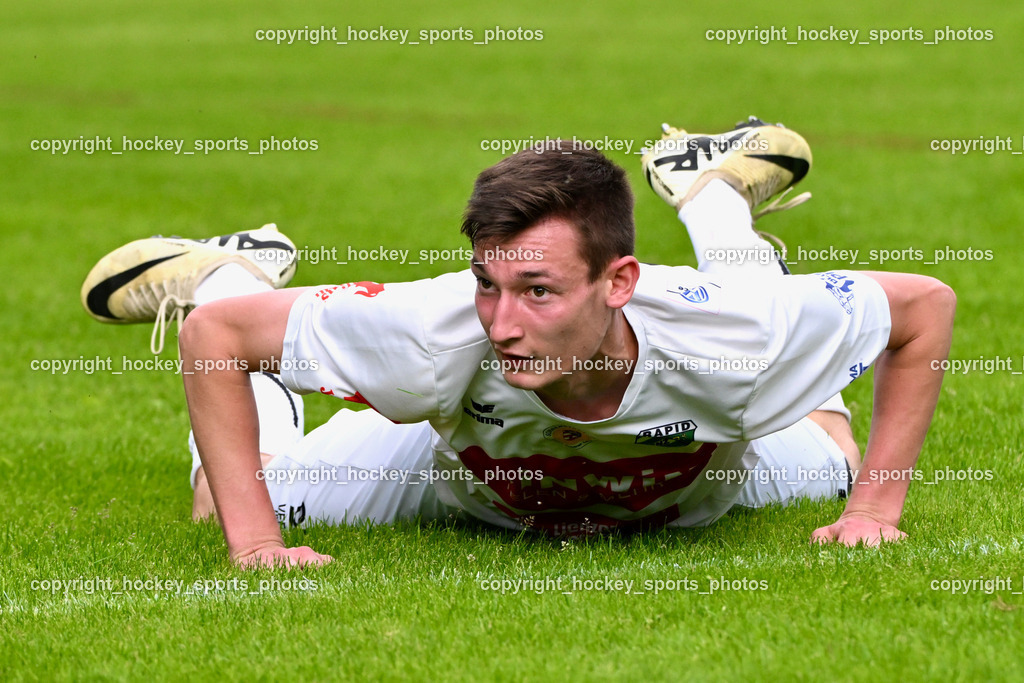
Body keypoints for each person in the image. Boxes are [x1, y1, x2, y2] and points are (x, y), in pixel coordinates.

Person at [81, 117, 955, 568]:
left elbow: (924, 308)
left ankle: (712, 191)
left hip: (704, 481)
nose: (502, 323)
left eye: (538, 291)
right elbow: (216, 341)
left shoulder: (735, 338)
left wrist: (875, 510)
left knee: (832, 442)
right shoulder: (433, 331)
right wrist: (256, 547)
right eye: (488, 284)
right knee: (221, 502)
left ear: (618, 282)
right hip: (442, 483)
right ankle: (235, 264)